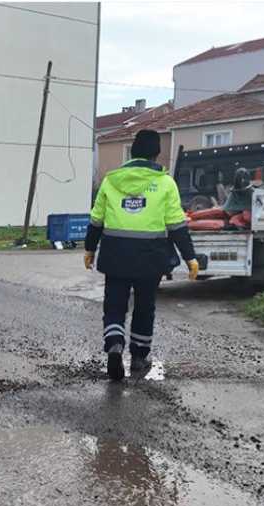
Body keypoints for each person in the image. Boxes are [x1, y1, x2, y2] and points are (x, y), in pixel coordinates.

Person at [84, 129, 199, 380]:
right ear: (156, 153)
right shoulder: (165, 183)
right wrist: (190, 257)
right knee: (144, 307)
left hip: (115, 255)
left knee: (114, 305)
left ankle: (114, 344)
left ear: (133, 151)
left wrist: (89, 249)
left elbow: (96, 220)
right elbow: (176, 225)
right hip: (151, 258)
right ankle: (138, 357)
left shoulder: (110, 180)